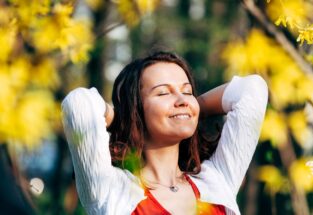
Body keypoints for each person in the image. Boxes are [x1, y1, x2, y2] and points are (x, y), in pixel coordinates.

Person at [61, 51, 268, 215]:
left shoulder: (216, 179)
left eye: (187, 91)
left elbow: (252, 89)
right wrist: (124, 118)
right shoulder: (110, 190)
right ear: (137, 109)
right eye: (163, 93)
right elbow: (79, 104)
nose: (182, 99)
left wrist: (190, 111)